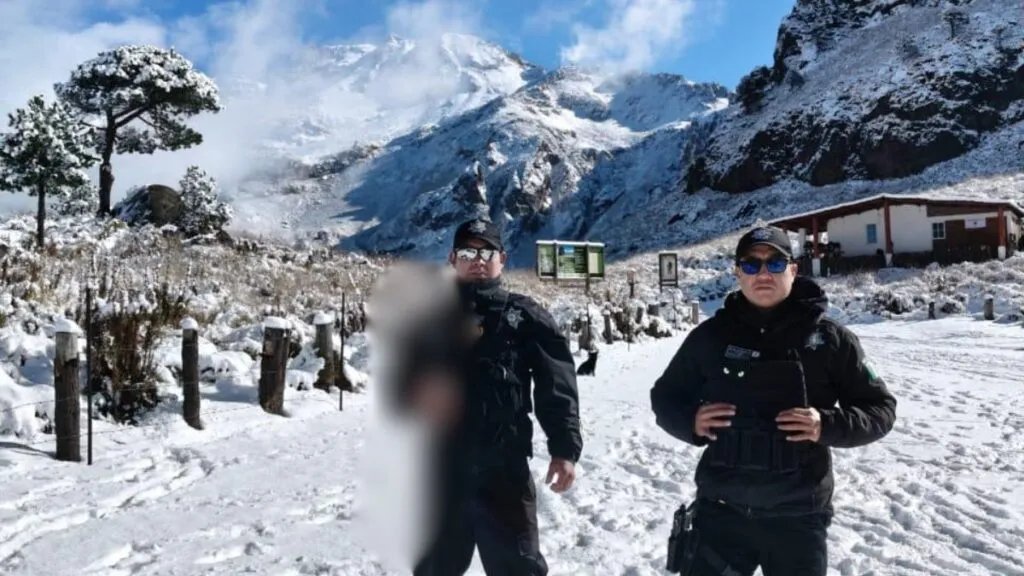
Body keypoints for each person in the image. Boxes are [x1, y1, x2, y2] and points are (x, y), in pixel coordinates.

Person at [651, 225, 897, 576]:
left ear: (793, 271)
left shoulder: (830, 340)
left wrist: (824, 424)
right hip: (720, 513)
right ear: (737, 272)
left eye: (775, 264)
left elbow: (880, 410)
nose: (763, 273)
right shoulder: (710, 337)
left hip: (798, 517)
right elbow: (665, 396)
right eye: (751, 265)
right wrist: (690, 421)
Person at [406, 217, 584, 576]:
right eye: (468, 251)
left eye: (486, 251)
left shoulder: (526, 317)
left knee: (517, 569)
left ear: (501, 258)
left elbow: (557, 385)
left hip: (505, 472)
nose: (477, 259)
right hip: (444, 472)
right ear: (452, 259)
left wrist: (564, 449)